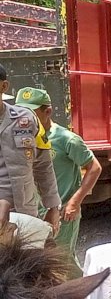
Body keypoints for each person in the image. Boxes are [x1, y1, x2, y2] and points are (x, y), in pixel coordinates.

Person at [15, 87, 102, 278]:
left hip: (63, 214)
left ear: (47, 112)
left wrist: (75, 201)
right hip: (34, 212)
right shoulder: (21, 138)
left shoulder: (66, 139)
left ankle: (80, 298)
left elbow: (94, 168)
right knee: (38, 259)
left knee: (62, 260)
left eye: (31, 112)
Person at [0, 65, 61, 232]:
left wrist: (53, 208)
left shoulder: (26, 120)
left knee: (32, 258)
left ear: (4, 86)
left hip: (25, 215)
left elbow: (44, 166)